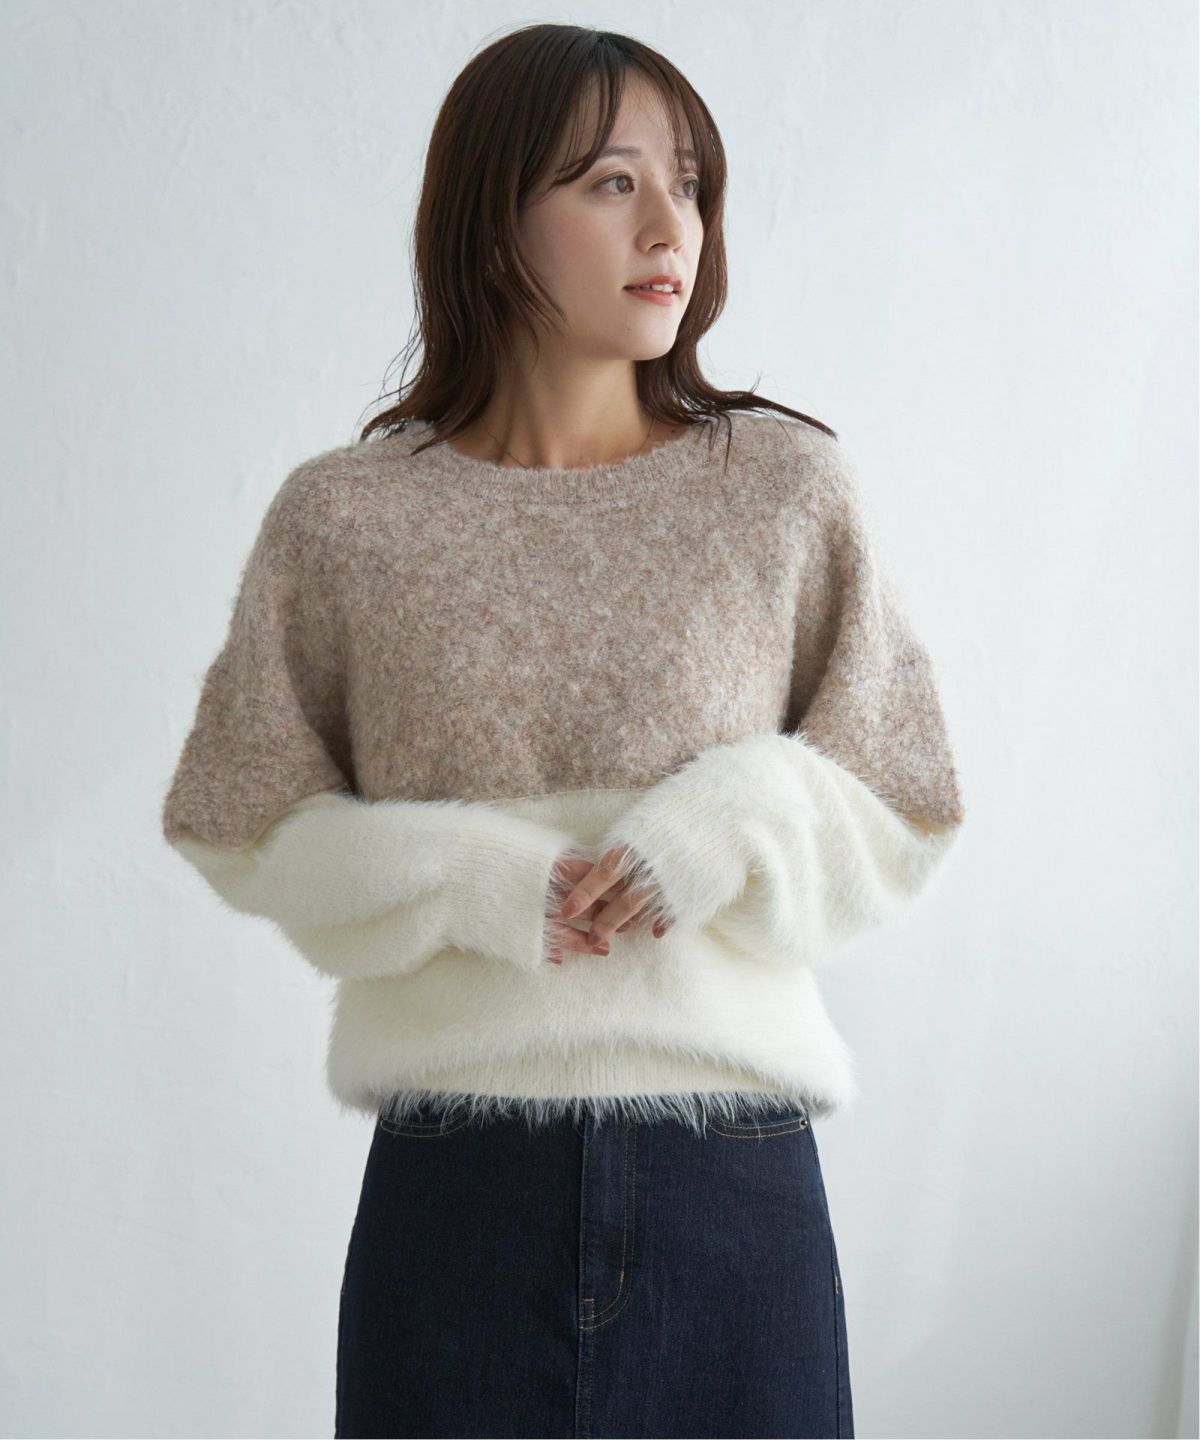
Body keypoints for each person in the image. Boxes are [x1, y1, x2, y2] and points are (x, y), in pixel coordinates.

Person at [161, 22, 965, 1440]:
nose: (672, 226)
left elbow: (903, 799)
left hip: (733, 1180)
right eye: (611, 182)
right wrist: (467, 880)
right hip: (455, 1186)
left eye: (690, 183)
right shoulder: (348, 518)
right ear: (492, 219)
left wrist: (735, 817)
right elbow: (239, 820)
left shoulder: (785, 489)